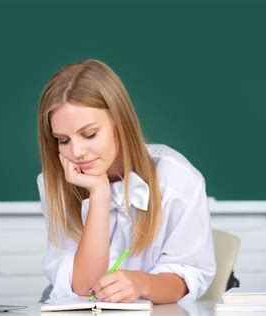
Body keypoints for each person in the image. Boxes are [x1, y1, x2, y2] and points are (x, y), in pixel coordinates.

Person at [36, 59, 216, 304]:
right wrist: (99, 194)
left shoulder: (177, 180)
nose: (76, 151)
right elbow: (85, 288)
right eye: (63, 140)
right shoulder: (55, 184)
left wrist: (141, 282)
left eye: (89, 134)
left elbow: (186, 278)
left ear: (120, 123)